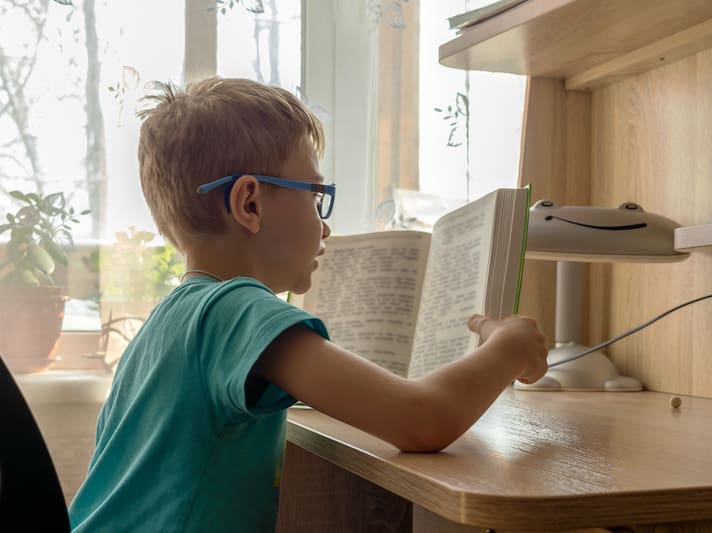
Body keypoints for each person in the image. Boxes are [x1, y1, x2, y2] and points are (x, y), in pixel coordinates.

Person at [68, 77, 548, 533]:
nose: (325, 227)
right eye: (317, 197)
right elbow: (423, 420)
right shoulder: (236, 309)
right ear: (249, 204)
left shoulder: (171, 318)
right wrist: (508, 346)